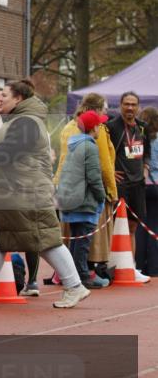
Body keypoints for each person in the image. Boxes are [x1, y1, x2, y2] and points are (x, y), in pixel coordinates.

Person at [0, 79, 90, 309]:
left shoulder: (25, 123)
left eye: (5, 95)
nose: (0, 99)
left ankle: (75, 286)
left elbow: (8, 153)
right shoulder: (21, 121)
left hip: (26, 195)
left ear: (18, 99)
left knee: (44, 241)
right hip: (12, 195)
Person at [56, 92, 117, 282]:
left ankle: (68, 272)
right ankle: (84, 273)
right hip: (86, 194)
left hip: (66, 189)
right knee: (86, 237)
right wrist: (109, 192)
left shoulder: (68, 128)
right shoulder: (92, 141)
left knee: (72, 236)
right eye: (103, 110)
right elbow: (102, 168)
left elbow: (62, 161)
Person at [107, 91, 151, 260]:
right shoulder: (111, 127)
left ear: (138, 107)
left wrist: (145, 166)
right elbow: (104, 153)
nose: (130, 108)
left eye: (133, 104)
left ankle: (130, 266)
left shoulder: (142, 127)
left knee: (133, 228)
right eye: (127, 104)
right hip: (120, 185)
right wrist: (110, 171)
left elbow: (146, 152)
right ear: (120, 105)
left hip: (138, 184)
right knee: (116, 227)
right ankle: (110, 266)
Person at [136, 106, 158, 277]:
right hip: (157, 186)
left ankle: (139, 266)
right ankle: (154, 267)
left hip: (143, 185)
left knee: (141, 227)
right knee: (155, 227)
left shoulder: (139, 138)